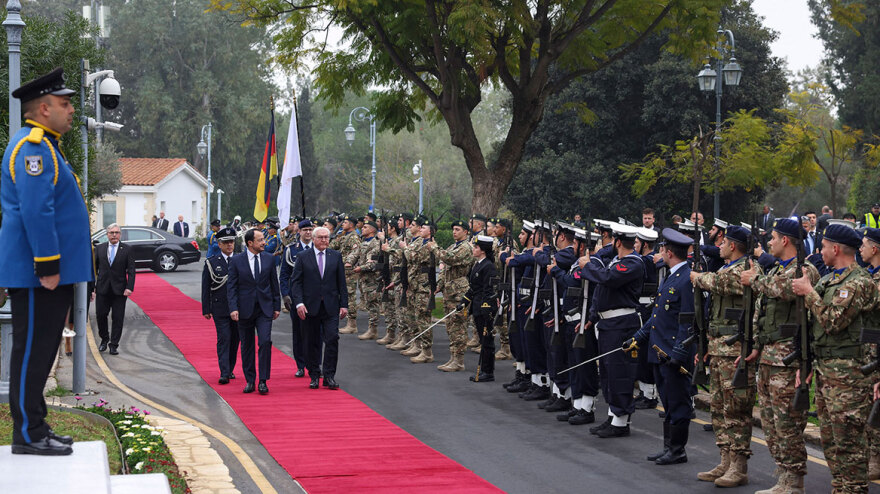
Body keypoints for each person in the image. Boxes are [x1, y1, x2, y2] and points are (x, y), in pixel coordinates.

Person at [1, 67, 92, 455]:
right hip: (40, 274)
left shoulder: (45, 146)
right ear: (42, 108)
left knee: (41, 350)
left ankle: (35, 425)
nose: (71, 110)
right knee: (33, 352)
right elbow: (37, 212)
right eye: (65, 103)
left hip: (45, 273)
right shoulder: (34, 148)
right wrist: (48, 267)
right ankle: (27, 433)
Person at [791, 223, 875, 493]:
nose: (820, 251)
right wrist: (807, 363)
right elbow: (813, 328)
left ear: (836, 248)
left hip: (849, 377)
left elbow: (833, 322)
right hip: (827, 371)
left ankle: (852, 489)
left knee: (849, 444)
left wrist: (809, 292)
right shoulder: (829, 280)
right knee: (830, 441)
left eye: (824, 246)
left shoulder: (858, 282)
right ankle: (840, 487)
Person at [741, 218, 820, 493]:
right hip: (769, 354)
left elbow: (786, 291)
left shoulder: (804, 270)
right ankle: (783, 476)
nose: (769, 243)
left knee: (787, 423)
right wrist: (756, 345)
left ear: (785, 240)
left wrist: (756, 279)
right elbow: (763, 313)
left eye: (772, 237)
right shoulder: (776, 269)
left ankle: (793, 480)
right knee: (771, 423)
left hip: (788, 358)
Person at [690, 225, 756, 486]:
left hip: (735, 350)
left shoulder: (746, 270)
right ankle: (725, 460)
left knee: (736, 411)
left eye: (723, 242)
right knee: (719, 408)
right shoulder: (727, 267)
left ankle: (739, 467)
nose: (719, 246)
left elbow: (723, 284)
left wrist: (698, 277)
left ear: (734, 245)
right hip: (719, 348)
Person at [625, 228, 695, 465]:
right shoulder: (671, 275)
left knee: (678, 402)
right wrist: (637, 337)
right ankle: (668, 447)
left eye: (663, 249)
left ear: (669, 252)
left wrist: (679, 353)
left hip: (673, 354)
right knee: (667, 401)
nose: (660, 252)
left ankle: (678, 450)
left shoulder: (686, 279)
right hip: (658, 350)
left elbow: (687, 320)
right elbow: (657, 318)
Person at [580, 222, 644, 438]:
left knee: (620, 372)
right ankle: (612, 415)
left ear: (618, 242)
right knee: (607, 373)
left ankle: (621, 421)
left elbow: (608, 278)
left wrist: (587, 266)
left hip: (622, 324)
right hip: (608, 324)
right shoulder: (617, 261)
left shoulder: (633, 263)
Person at [290, 227, 349, 389]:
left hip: (330, 306)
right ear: (314, 239)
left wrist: (344, 304)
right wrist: (299, 303)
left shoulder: (335, 256)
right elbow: (296, 282)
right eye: (321, 237)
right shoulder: (303, 257)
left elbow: (341, 283)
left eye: (326, 237)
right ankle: (314, 374)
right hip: (310, 307)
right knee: (311, 342)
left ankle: (329, 375)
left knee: (332, 338)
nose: (324, 240)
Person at [227, 228, 280, 395]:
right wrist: (233, 308)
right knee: (247, 346)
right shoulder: (236, 261)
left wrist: (277, 306)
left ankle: (263, 381)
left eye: (264, 239)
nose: (264, 242)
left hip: (264, 309)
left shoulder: (269, 259)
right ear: (250, 243)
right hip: (244, 309)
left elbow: (274, 284)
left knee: (265, 342)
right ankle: (250, 380)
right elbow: (232, 287)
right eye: (260, 240)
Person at [201, 227, 240, 384]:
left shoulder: (240, 260)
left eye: (231, 242)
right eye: (226, 242)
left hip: (238, 308)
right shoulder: (212, 262)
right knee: (224, 338)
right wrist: (206, 309)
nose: (230, 245)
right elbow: (206, 287)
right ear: (219, 244)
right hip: (220, 307)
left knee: (235, 339)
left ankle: (230, 368)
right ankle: (224, 372)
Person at [436, 220, 474, 372]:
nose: (454, 232)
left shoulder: (466, 248)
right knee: (450, 326)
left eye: (458, 229)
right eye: (453, 229)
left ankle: (459, 361)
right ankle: (453, 357)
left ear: (466, 232)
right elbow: (445, 268)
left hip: (459, 292)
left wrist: (435, 248)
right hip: (449, 291)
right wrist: (439, 285)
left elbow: (450, 258)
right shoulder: (453, 246)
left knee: (459, 326)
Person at [93, 223, 136, 355]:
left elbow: (132, 270)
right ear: (107, 234)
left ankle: (114, 345)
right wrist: (92, 288)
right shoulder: (99, 249)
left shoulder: (127, 249)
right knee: (100, 315)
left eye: (116, 232)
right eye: (111, 233)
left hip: (120, 290)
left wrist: (129, 287)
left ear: (120, 234)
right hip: (102, 289)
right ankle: (104, 339)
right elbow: (93, 269)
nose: (114, 235)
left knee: (118, 318)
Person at [461, 235, 498, 382]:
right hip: (477, 307)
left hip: (485, 309)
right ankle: (484, 369)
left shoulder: (488, 266)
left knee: (487, 341)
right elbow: (474, 288)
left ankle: (488, 371)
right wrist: (464, 301)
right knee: (483, 341)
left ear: (482, 251)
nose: (474, 249)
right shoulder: (477, 264)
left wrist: (486, 308)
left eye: (476, 247)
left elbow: (489, 290)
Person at [280, 219, 314, 376]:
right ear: (299, 231)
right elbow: (284, 274)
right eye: (305, 229)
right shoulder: (290, 250)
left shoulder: (319, 248)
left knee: (315, 332)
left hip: (315, 297)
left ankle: (314, 364)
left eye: (310, 229)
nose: (308, 232)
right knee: (299, 332)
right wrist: (285, 294)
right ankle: (301, 365)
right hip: (296, 297)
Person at [348, 220, 382, 340]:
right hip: (364, 279)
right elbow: (355, 254)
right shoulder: (363, 242)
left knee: (373, 305)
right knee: (368, 303)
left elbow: (372, 263)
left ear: (372, 230)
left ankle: (373, 330)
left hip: (372, 279)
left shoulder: (376, 244)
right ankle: (371, 328)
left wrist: (359, 268)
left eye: (366, 227)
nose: (362, 228)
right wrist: (348, 262)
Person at [336, 215, 361, 334]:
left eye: (345, 222)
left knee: (350, 296)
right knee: (344, 295)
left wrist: (345, 262)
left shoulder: (354, 237)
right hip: (342, 270)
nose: (343, 224)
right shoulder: (344, 236)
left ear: (351, 225)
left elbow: (356, 253)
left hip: (349, 271)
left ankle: (352, 324)